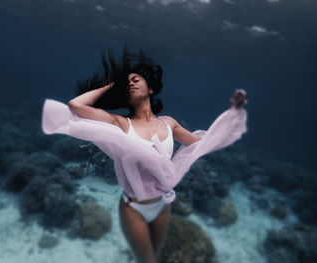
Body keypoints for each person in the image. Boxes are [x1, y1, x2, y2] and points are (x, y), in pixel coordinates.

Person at [42, 46, 247, 263]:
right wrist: (110, 86)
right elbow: (75, 106)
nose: (131, 82)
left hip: (162, 206)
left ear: (151, 89)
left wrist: (233, 114)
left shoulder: (169, 123)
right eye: (127, 82)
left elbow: (202, 143)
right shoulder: (120, 123)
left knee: (153, 259)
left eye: (136, 79)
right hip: (133, 208)